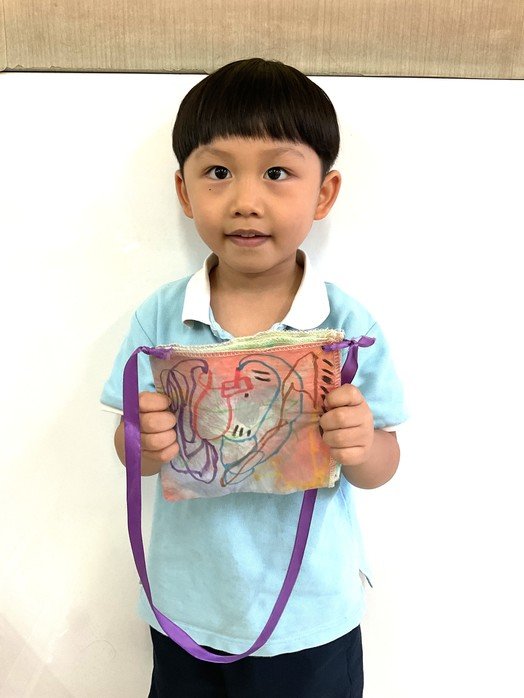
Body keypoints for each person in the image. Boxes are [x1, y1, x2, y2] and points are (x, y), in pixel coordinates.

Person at [101, 57, 407, 698]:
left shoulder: (347, 323)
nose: (245, 200)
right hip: (187, 610)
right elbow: (133, 454)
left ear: (324, 193)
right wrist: (142, 441)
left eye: (276, 173)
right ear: (185, 192)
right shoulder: (161, 316)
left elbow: (381, 465)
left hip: (311, 619)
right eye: (218, 172)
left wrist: (362, 445)